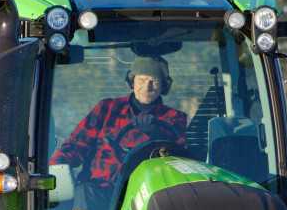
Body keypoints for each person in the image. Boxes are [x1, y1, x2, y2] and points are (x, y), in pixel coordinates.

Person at [50, 55, 188, 187]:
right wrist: (54, 169)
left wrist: (155, 133)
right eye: (141, 80)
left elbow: (179, 159)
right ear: (131, 82)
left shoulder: (174, 118)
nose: (147, 87)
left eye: (154, 81)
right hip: (97, 190)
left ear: (164, 86)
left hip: (145, 194)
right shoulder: (106, 109)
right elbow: (76, 145)